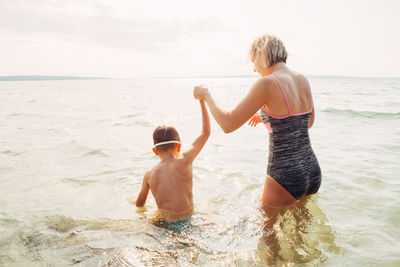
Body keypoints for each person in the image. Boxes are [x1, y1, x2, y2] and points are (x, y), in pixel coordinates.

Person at [193, 34, 321, 210]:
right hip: (312, 170)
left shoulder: (267, 83)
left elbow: (228, 124)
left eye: (254, 61)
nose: (254, 69)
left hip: (285, 174)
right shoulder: (302, 79)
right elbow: (307, 122)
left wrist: (206, 96)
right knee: (302, 232)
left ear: (262, 54)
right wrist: (266, 118)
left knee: (268, 236)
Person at [133, 100, 210, 229]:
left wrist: (133, 200)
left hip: (164, 225)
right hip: (188, 220)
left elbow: (139, 205)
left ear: (155, 151)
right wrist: (202, 101)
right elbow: (205, 132)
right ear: (179, 147)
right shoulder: (186, 160)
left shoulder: (149, 175)